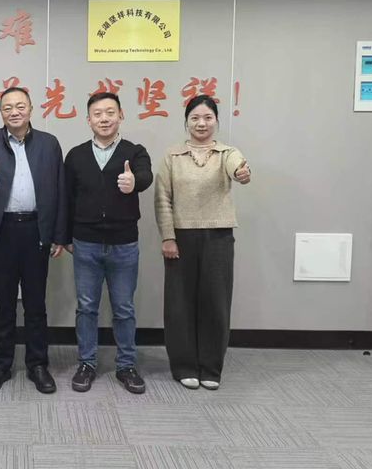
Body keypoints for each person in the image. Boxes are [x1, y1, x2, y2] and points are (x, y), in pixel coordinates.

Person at [0, 87, 67, 394]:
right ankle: (1, 365)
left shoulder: (49, 143)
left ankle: (38, 365)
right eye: (8, 107)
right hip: (3, 231)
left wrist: (59, 234)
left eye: (20, 106)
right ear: (1, 113)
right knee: (4, 303)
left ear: (31, 109)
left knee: (36, 303)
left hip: (37, 229)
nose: (14, 111)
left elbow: (61, 189)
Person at [154, 94, 251, 390]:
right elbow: (162, 199)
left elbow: (239, 167)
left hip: (218, 236)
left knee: (216, 302)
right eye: (195, 118)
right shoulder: (172, 156)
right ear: (186, 122)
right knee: (179, 303)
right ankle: (183, 365)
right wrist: (168, 237)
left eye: (208, 118)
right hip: (181, 237)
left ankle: (211, 367)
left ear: (216, 121)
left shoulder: (227, 153)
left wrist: (242, 172)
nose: (201, 123)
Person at [64, 92, 152, 394]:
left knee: (124, 308)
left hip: (123, 244)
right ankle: (86, 363)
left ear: (120, 115)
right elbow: (67, 198)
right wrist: (65, 236)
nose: (104, 119)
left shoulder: (135, 152)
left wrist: (134, 183)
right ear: (88, 119)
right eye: (98, 114)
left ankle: (126, 365)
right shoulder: (76, 155)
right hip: (85, 243)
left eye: (110, 112)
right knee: (86, 307)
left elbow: (145, 176)